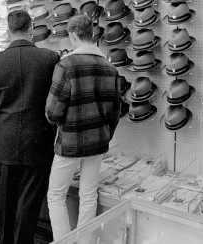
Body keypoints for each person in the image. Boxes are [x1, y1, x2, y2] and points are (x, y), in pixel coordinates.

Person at [0, 9, 59, 244]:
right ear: (31, 27)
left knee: (6, 200)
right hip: (39, 138)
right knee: (31, 200)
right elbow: (56, 100)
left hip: (5, 138)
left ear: (8, 30)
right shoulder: (50, 58)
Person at [45, 15, 121, 240]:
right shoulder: (110, 68)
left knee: (56, 195)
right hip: (98, 140)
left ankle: (63, 241)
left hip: (70, 140)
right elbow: (115, 111)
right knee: (89, 194)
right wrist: (105, 134)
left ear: (73, 35)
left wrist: (54, 121)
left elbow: (53, 111)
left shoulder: (66, 65)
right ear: (92, 35)